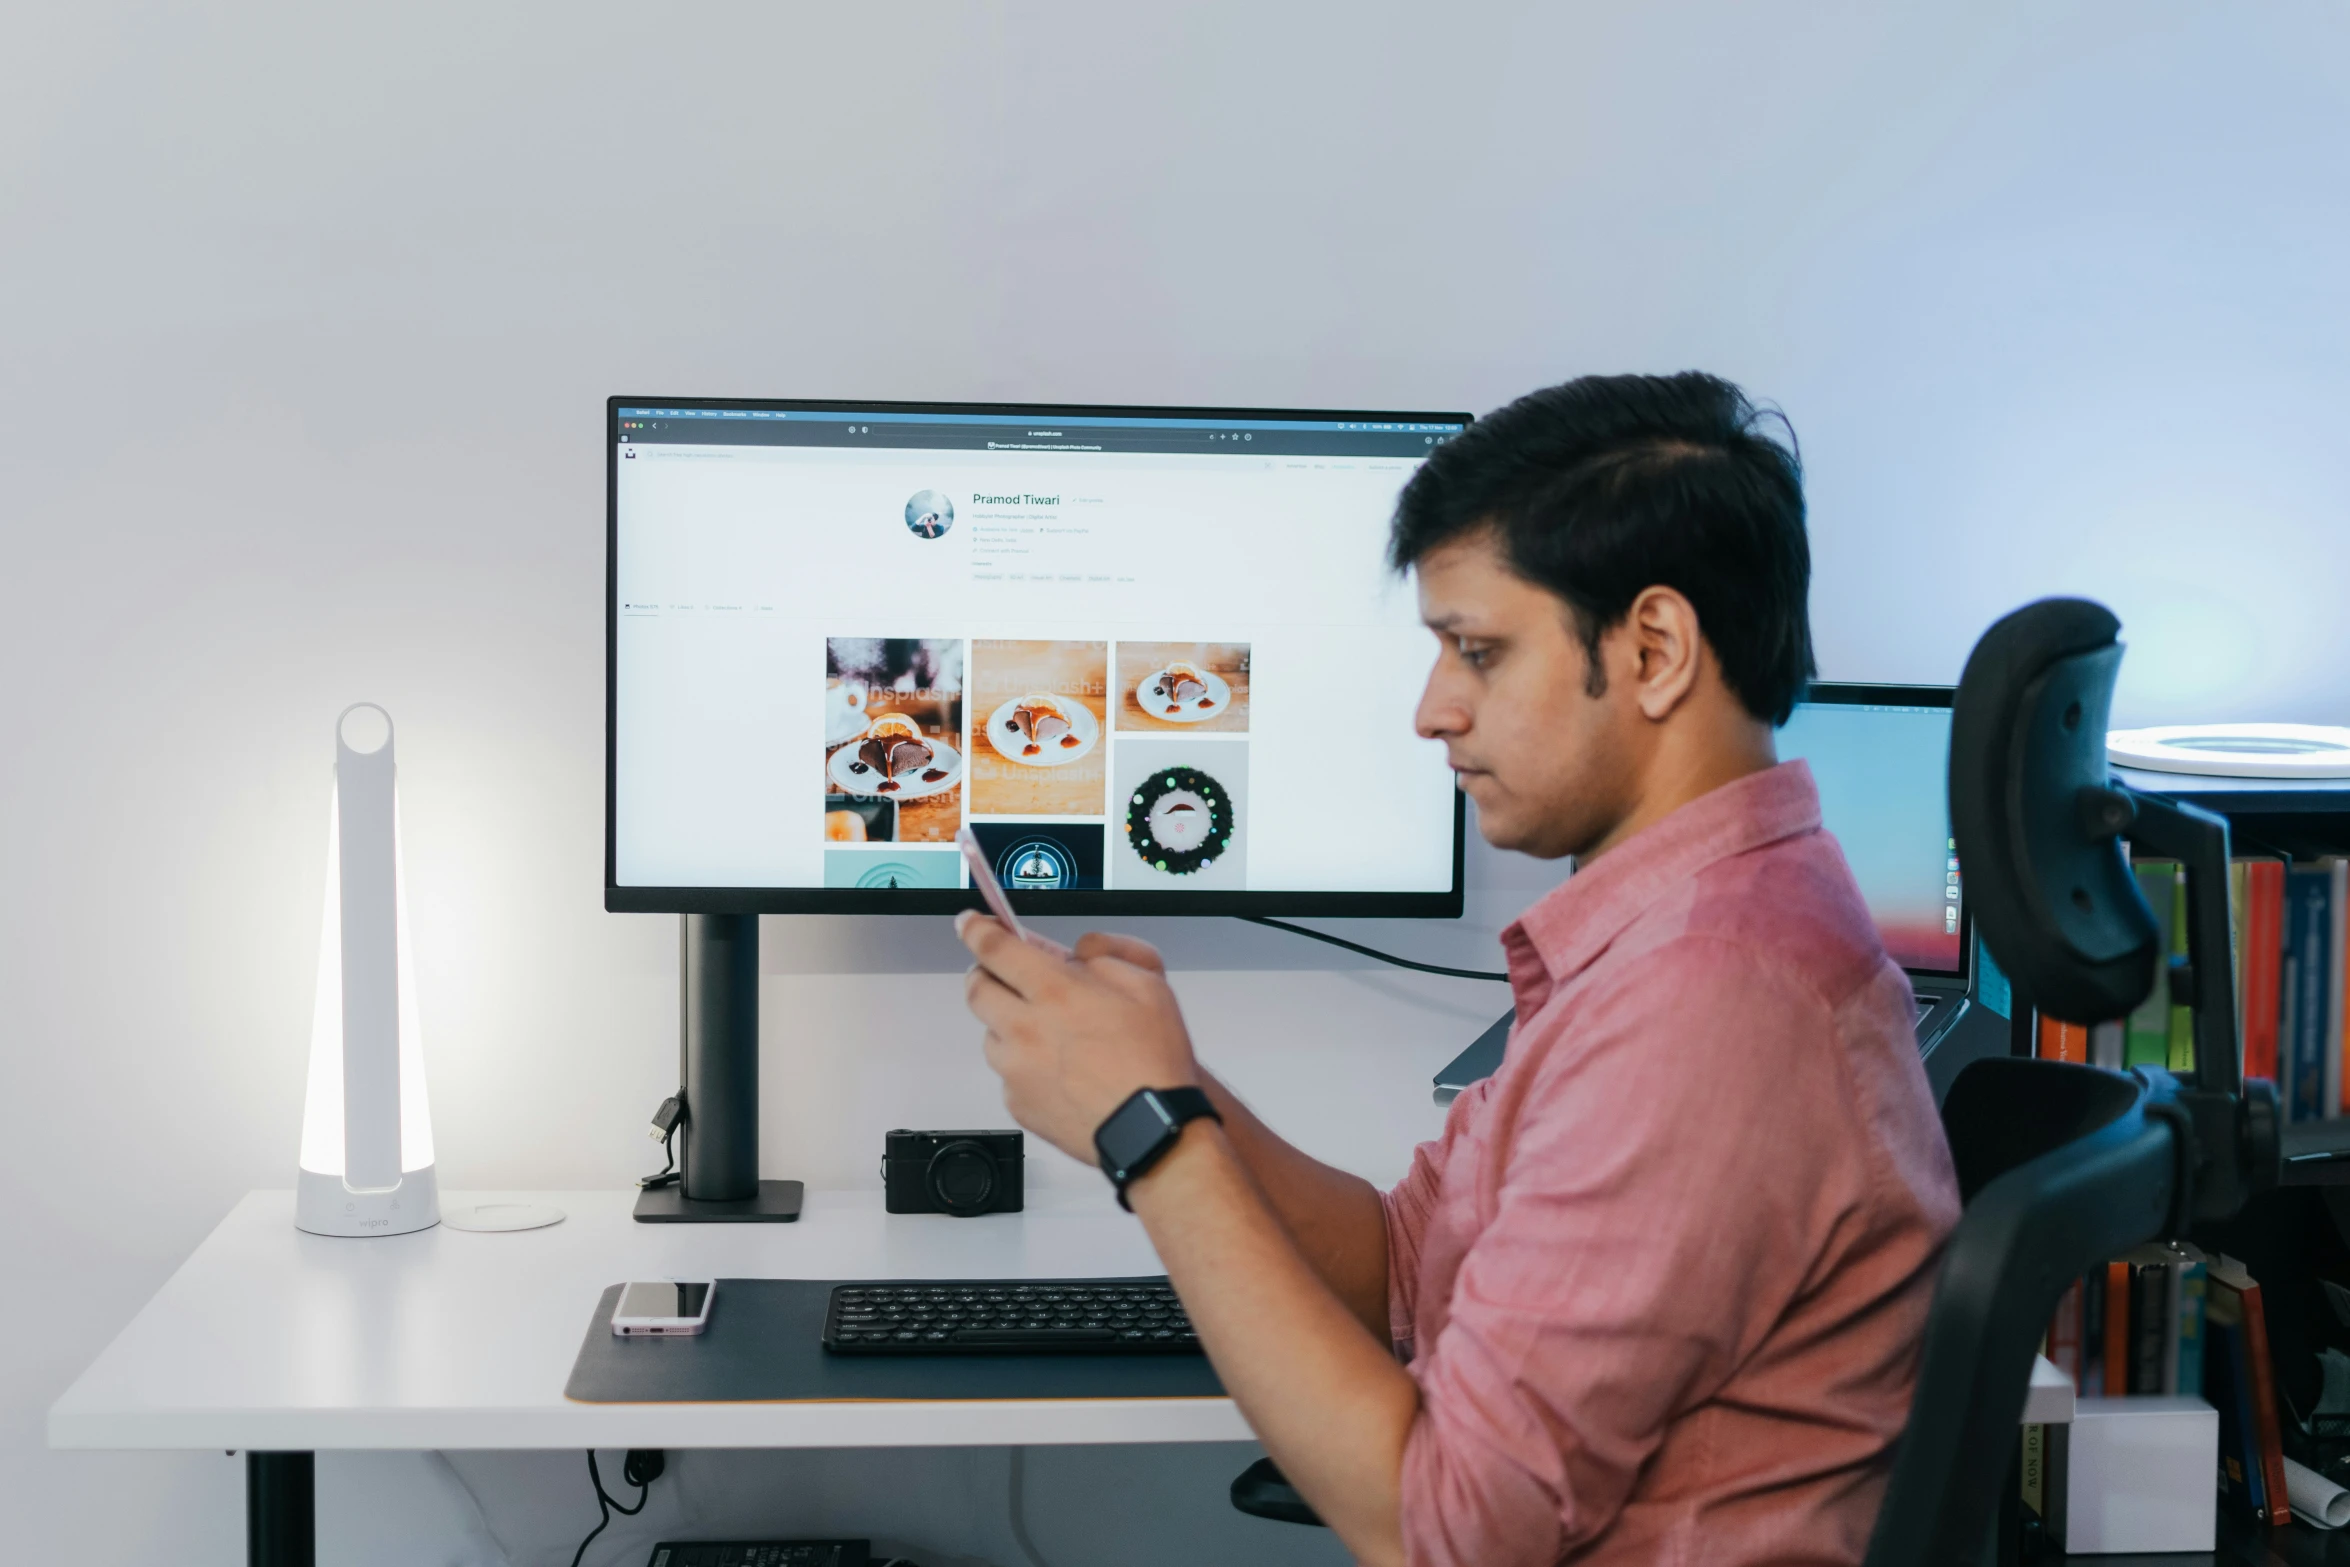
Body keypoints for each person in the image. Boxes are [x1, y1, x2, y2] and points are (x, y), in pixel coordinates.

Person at [954, 373, 1960, 1567]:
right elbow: (1405, 1264)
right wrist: (1172, 1080)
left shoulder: (1706, 1001)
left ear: (1653, 649)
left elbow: (1443, 1529)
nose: (1434, 711)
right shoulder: (1679, 931)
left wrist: (1147, 1131)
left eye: (1476, 651)